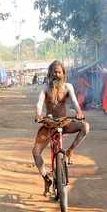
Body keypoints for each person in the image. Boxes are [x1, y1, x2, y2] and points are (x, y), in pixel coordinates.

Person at [33, 60, 90, 195]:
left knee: (85, 127)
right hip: (49, 124)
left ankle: (69, 151)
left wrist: (79, 112)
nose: (56, 75)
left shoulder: (68, 87)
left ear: (63, 74)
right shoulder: (45, 88)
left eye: (59, 72)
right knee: (36, 152)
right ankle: (46, 179)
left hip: (64, 123)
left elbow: (75, 102)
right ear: (50, 73)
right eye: (54, 72)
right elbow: (39, 103)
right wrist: (38, 114)